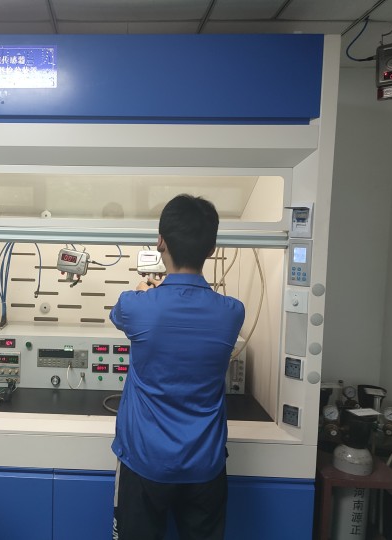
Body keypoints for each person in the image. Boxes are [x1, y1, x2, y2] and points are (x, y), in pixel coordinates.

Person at [110, 195, 245, 540]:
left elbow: (120, 316)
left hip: (144, 460)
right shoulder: (232, 312)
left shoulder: (135, 306)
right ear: (211, 248)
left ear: (160, 242)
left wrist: (145, 290)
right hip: (205, 463)